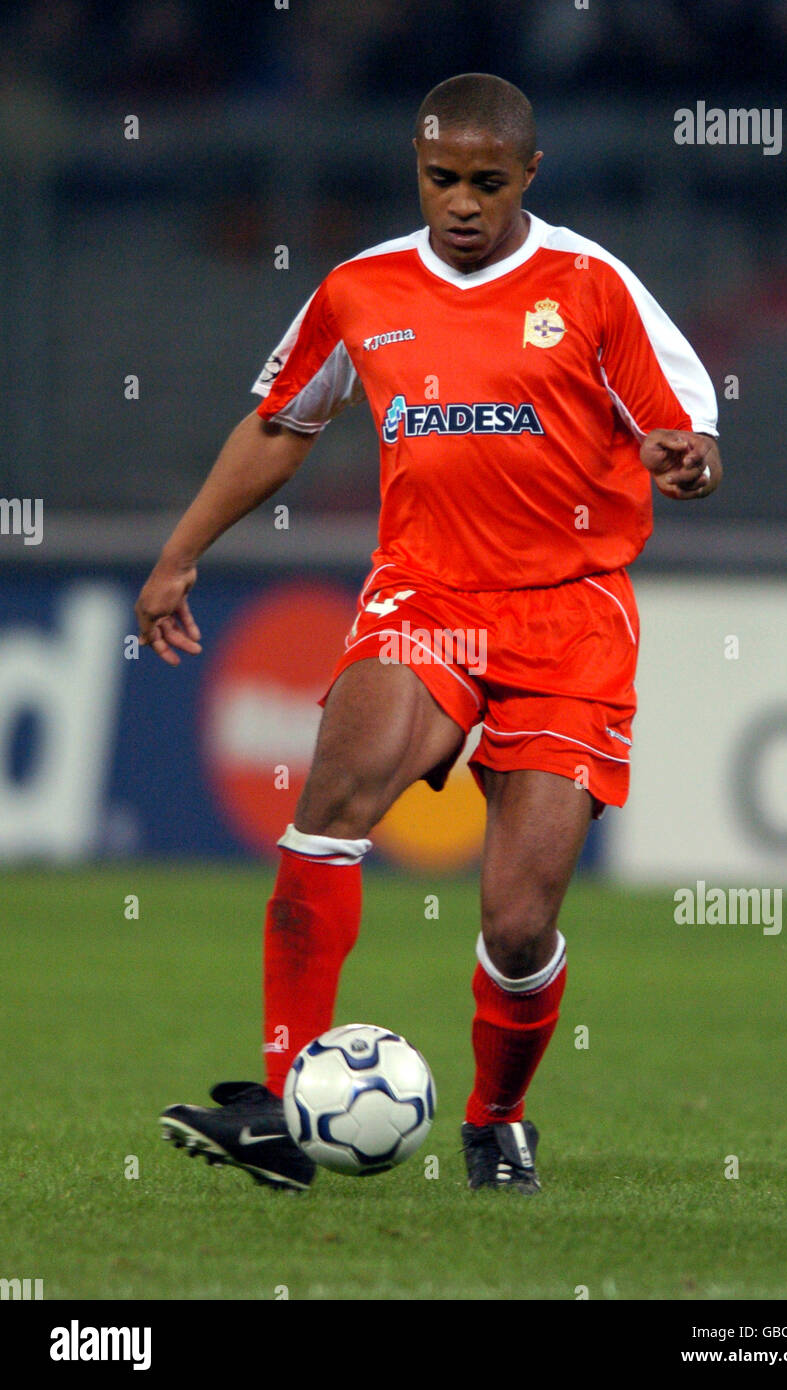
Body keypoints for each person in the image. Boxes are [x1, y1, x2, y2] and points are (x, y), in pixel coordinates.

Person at [135, 72, 721, 1195]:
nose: (461, 201)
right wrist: (180, 550)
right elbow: (281, 424)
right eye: (440, 178)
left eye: (486, 182)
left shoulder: (588, 285)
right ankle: (275, 1105)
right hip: (427, 598)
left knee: (513, 924)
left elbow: (681, 421)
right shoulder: (360, 289)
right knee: (335, 794)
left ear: (528, 175)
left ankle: (496, 1117)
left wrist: (686, 457)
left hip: (569, 612)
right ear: (417, 168)